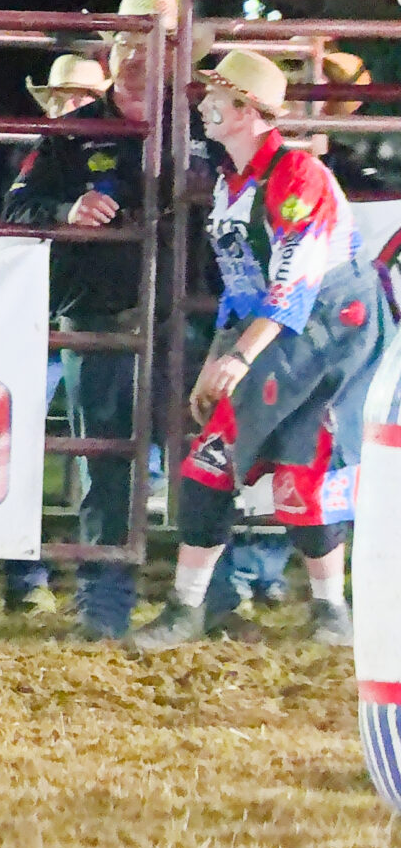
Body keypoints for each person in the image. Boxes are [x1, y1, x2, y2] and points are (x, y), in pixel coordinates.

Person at [132, 48, 385, 649]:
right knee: (272, 459)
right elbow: (246, 282)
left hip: (324, 330)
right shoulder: (234, 181)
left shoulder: (296, 176)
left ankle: (201, 608)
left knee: (284, 463)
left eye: (218, 98)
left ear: (248, 111)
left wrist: (236, 357)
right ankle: (324, 611)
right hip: (293, 329)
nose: (206, 108)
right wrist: (224, 349)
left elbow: (292, 281)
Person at [0, 45, 153, 637]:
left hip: (184, 317)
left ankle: (211, 596)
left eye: (158, 40)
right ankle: (104, 604)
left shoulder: (200, 129)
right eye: (132, 40)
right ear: (113, 54)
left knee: (202, 457)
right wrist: (68, 208)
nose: (142, 54)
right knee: (106, 461)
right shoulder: (68, 137)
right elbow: (16, 208)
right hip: (98, 312)